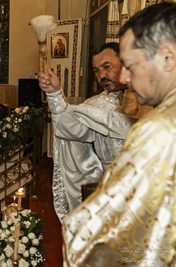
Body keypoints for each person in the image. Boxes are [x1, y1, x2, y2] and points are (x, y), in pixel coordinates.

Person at [62, 2, 176, 266]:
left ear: (168, 58)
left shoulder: (160, 129)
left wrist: (76, 230)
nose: (124, 76)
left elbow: (121, 236)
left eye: (130, 64)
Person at [38, 42, 145, 221]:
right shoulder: (96, 105)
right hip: (111, 198)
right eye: (96, 70)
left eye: (106, 67)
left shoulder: (153, 100)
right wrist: (55, 94)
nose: (101, 75)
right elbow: (69, 128)